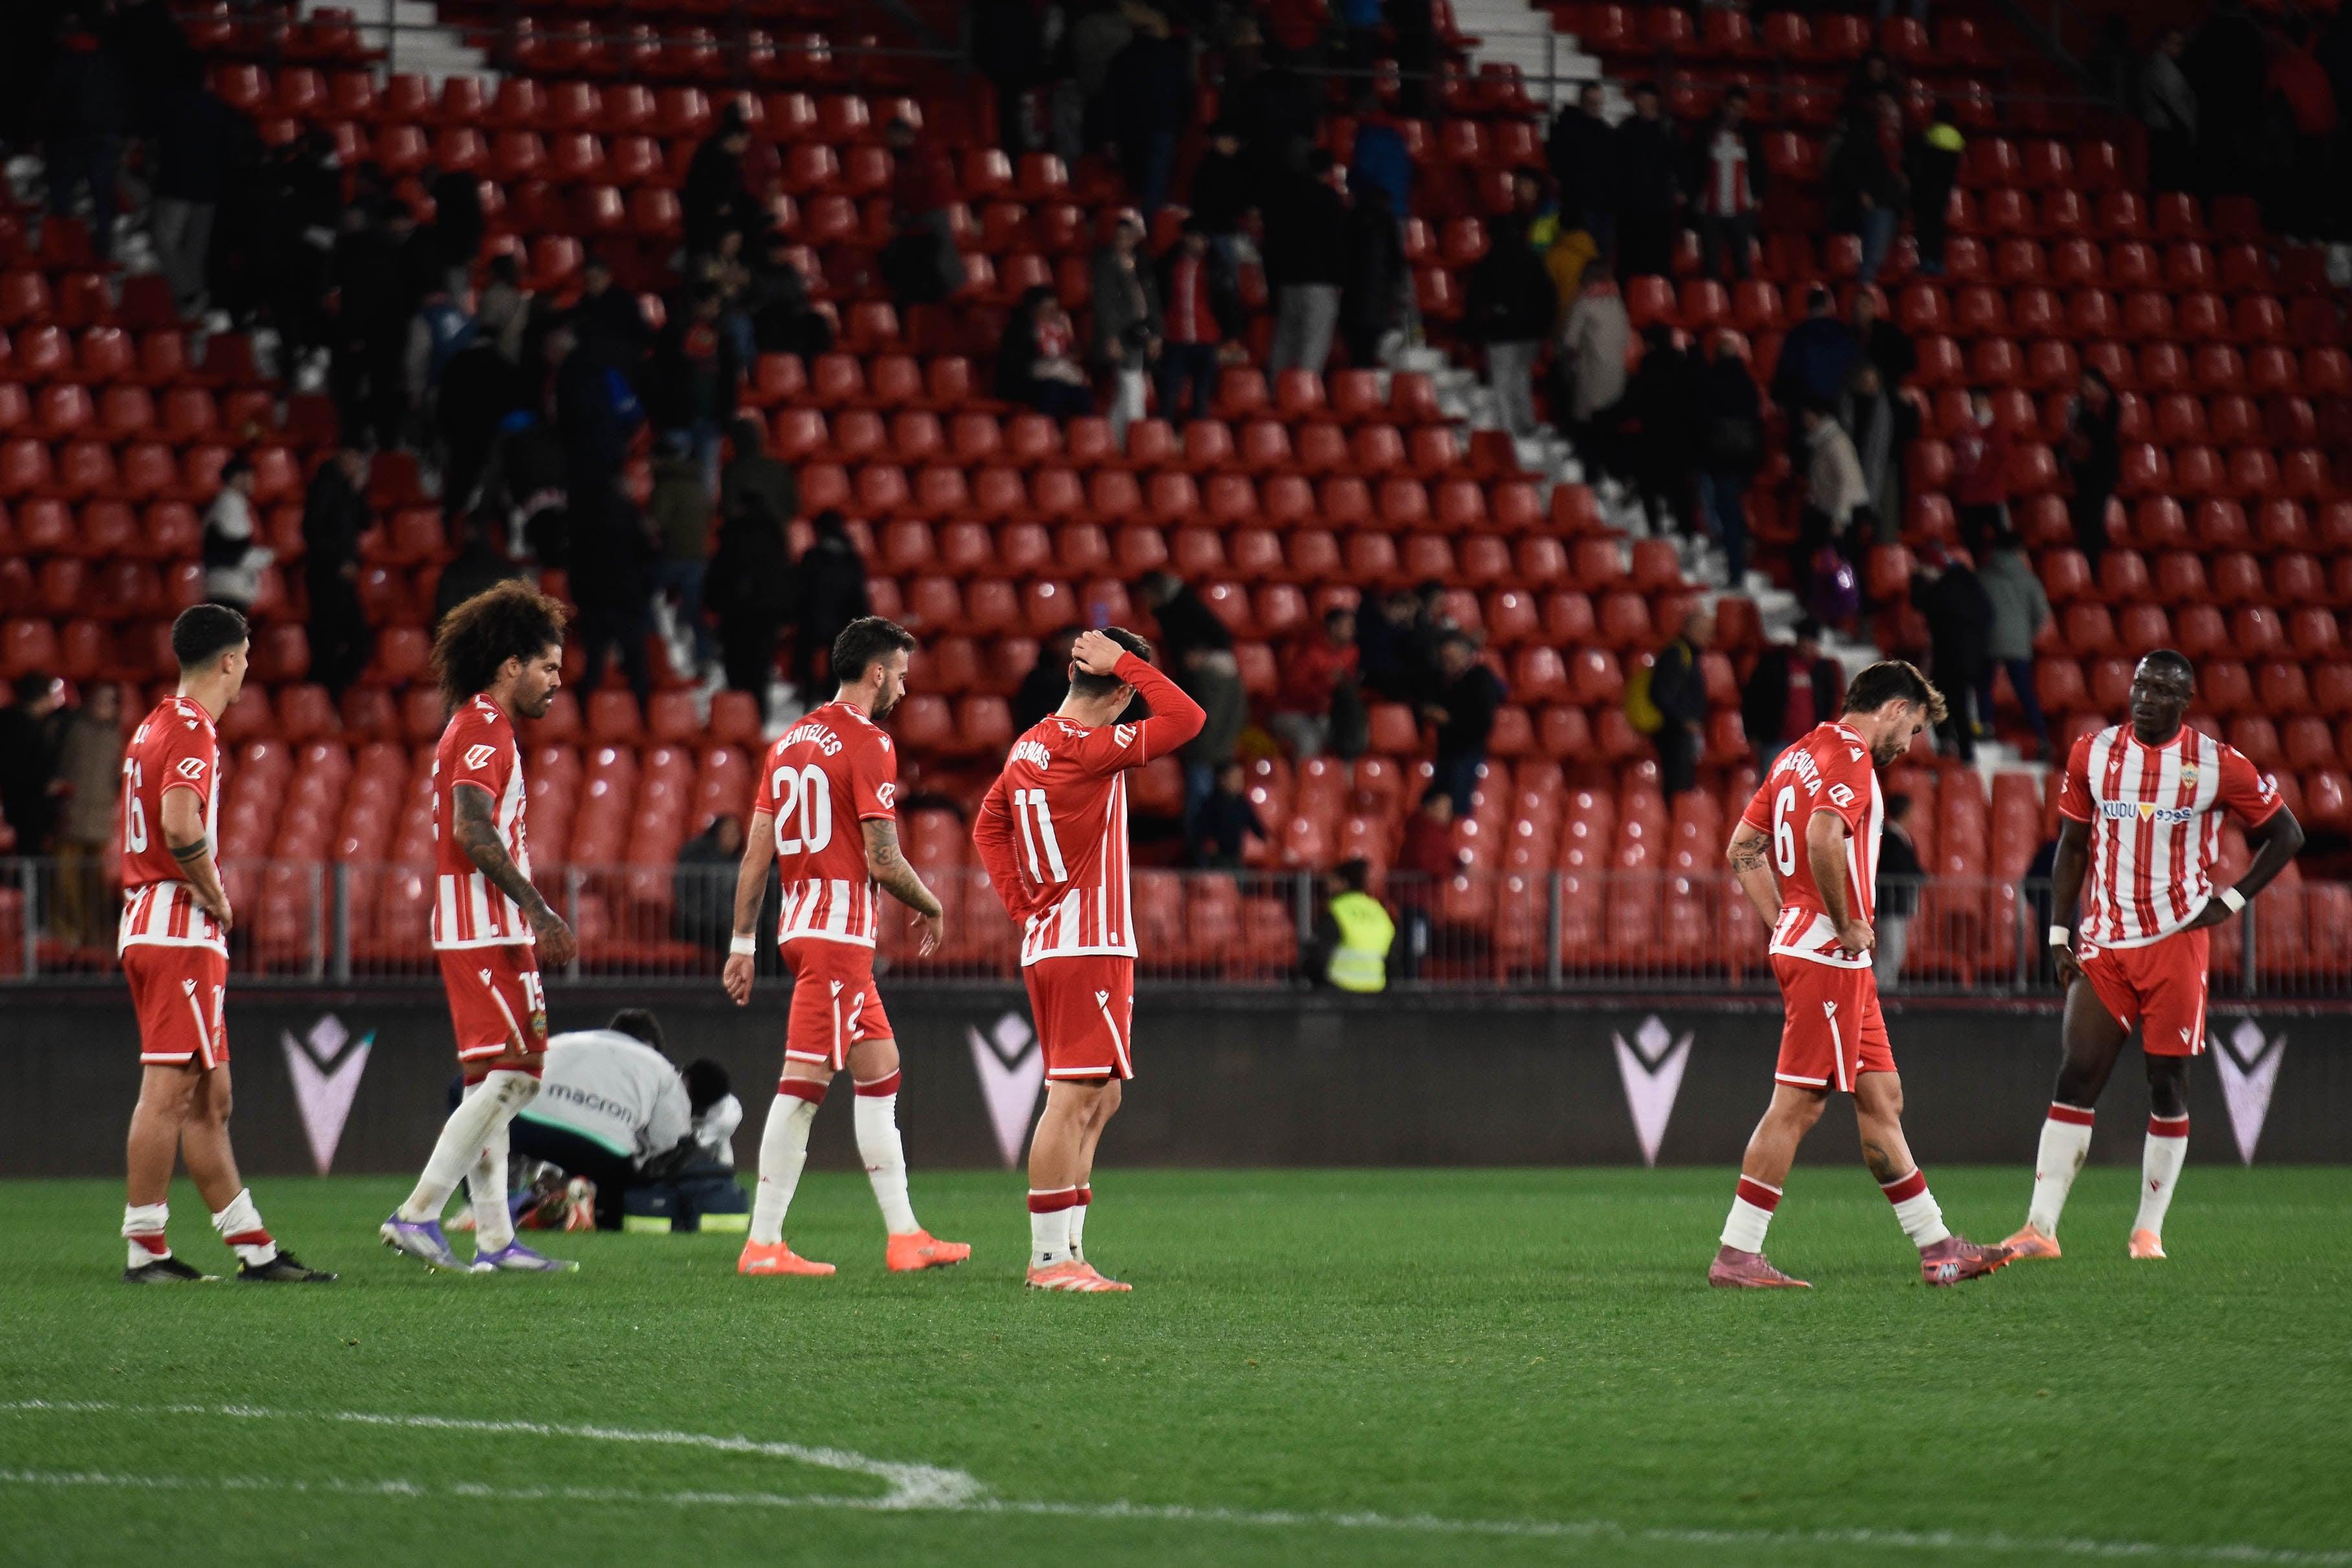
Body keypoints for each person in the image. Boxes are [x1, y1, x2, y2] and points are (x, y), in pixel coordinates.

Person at [1713, 660, 2011, 1288]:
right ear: (1896, 709)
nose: (1911, 744)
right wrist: (1843, 923)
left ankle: (1938, 1249)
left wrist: (1784, 921)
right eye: (1918, 727)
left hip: (1820, 951)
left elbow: (1743, 848)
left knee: (1883, 1096)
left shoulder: (1794, 756)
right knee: (1797, 1105)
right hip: (1830, 954)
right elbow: (1824, 838)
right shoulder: (1850, 756)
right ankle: (1737, 1253)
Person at [2007, 652, 2305, 1264]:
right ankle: (2039, 1229)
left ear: (2184, 700)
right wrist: (2059, 934)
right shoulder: (2092, 752)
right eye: (2139, 685)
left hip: (2176, 943)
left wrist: (2229, 902)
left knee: (2166, 1084)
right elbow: (2071, 846)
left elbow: (2287, 834)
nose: (2144, 697)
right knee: (2076, 1075)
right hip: (2105, 941)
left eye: (2161, 690)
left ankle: (2147, 1232)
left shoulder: (2215, 764)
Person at [721, 617, 970, 1277]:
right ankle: (763, 1243)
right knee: (802, 1088)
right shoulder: (869, 742)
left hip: (808, 930)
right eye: (903, 676)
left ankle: (905, 1235)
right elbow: (883, 859)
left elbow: (756, 853)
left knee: (881, 1068)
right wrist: (932, 902)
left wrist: (743, 942)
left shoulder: (789, 742)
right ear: (878, 673)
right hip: (836, 937)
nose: (906, 690)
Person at [971, 627, 1207, 1291]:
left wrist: (1024, 907)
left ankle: (1070, 1250)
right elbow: (1189, 718)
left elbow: (987, 824)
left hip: (1058, 941)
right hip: (1086, 944)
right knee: (1073, 1095)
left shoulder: (1029, 745)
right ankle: (1050, 1261)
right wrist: (1128, 661)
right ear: (1125, 688)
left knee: (1101, 1096)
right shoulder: (1091, 749)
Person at [118, 606, 331, 1284]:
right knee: (168, 1093)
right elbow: (181, 826)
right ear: (231, 661)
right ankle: (145, 1246)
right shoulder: (191, 729)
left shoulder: (155, 721)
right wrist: (215, 892)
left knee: (212, 1098)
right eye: (247, 659)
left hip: (160, 922)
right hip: (178, 924)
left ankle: (253, 1248)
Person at [380, 581, 581, 1275]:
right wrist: (535, 905)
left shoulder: (480, 726)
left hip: (481, 926)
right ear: (510, 666)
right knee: (520, 1071)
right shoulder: (481, 728)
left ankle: (495, 1239)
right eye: (549, 667)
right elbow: (472, 826)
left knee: (490, 1084)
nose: (558, 681)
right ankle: (417, 1211)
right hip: (483, 928)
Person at [508, 1011, 743, 1233]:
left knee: (505, 1141)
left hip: (526, 1122)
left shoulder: (565, 1041)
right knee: (627, 1183)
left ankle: (501, 1205)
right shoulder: (660, 1068)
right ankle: (589, 1206)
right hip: (602, 1146)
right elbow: (667, 1145)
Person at [708, 472, 796, 722]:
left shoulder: (732, 532)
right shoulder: (775, 535)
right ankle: (759, 716)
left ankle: (740, 718)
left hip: (736, 613)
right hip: (766, 614)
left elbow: (720, 572)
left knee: (736, 668)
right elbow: (782, 576)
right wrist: (785, 612)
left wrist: (714, 604)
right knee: (759, 668)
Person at [45, 12, 131, 263]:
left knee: (62, 199)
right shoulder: (109, 60)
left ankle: (64, 253)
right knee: (102, 199)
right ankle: (102, 252)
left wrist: (42, 134)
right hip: (104, 137)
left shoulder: (63, 59)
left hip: (68, 139)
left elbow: (52, 102)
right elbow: (122, 99)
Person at [152, 68, 238, 319]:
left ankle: (190, 294)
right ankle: (193, 306)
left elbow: (157, 143)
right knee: (195, 250)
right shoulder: (218, 108)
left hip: (176, 185)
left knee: (165, 241)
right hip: (208, 188)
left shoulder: (172, 105)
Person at [1464, 213, 1556, 438]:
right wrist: (1544, 327)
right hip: (1530, 333)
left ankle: (1509, 433)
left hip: (1502, 333)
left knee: (1503, 384)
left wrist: (1473, 330)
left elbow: (1475, 300)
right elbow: (1549, 295)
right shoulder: (1532, 259)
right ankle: (1527, 424)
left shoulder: (1490, 262)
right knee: (1522, 379)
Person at [51, 679, 122, 948]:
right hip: (72, 816)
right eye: (99, 701)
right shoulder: (74, 730)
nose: (103, 707)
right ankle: (67, 934)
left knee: (94, 885)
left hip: (99, 820)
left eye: (109, 702)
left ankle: (95, 937)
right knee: (65, 880)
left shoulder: (116, 735)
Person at [1263, 151, 1347, 374]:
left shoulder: (1285, 198)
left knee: (1284, 341)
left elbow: (1272, 241)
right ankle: (1302, 395)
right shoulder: (1329, 198)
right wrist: (1340, 278)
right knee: (1314, 343)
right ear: (1328, 171)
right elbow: (1337, 243)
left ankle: (1275, 391)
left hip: (1288, 281)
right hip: (1319, 282)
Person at [302, 446, 373, 699]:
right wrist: (339, 560)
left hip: (344, 578)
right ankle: (322, 695)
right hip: (327, 576)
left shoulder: (347, 491)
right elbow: (313, 532)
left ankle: (330, 691)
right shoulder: (323, 487)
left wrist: (358, 490)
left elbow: (366, 520)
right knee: (329, 640)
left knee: (358, 641)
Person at [1911, 543, 1990, 763]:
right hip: (1969, 656)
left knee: (1949, 702)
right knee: (1955, 702)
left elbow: (1922, 603)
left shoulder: (1945, 590)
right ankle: (1962, 749)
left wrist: (1917, 580)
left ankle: (1957, 748)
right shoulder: (1969, 584)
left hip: (1952, 657)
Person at [1090, 209, 1162, 449]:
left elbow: (1152, 302)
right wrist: (1111, 338)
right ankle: (1136, 441)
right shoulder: (1106, 264)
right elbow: (1104, 304)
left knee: (1127, 390)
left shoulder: (1142, 264)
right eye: (1120, 236)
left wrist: (1155, 334)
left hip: (1140, 332)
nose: (1124, 241)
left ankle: (1114, 442)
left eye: (1129, 236)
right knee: (1132, 388)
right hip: (1120, 334)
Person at [1978, 528, 2052, 761]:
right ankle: (2042, 738)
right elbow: (2042, 613)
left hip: (1988, 640)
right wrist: (2025, 633)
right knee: (2025, 692)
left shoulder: (1983, 576)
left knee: (1984, 687)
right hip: (2019, 644)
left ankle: (1985, 728)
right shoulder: (2029, 579)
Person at [1155, 219, 1238, 425]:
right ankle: (1165, 441)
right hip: (1176, 339)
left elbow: (1229, 304)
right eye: (1195, 238)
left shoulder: (1217, 267)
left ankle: (1197, 443)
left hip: (1207, 340)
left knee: (1202, 399)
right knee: (1169, 396)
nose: (1199, 244)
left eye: (1203, 239)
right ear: (1185, 238)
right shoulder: (1168, 265)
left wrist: (1229, 334)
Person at [1696, 333, 1762, 587]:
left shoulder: (1711, 382)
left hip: (1721, 460)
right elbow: (1756, 423)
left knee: (1729, 512)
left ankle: (1736, 569)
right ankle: (1738, 554)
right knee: (1733, 510)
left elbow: (1702, 423)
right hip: (1744, 459)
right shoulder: (1747, 384)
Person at [649, 432, 715, 673]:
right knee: (695, 613)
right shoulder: (698, 486)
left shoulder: (666, 487)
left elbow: (656, 524)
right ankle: (703, 658)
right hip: (697, 557)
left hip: (671, 557)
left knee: (644, 602)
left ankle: (654, 656)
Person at [1741, 618, 1846, 772]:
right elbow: (1753, 699)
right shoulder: (1773, 664)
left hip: (1810, 743)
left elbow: (1830, 702)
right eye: (1805, 641)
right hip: (1775, 741)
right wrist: (1752, 733)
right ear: (1797, 640)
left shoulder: (1824, 670)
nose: (1808, 646)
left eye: (1812, 643)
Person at [1828, 92, 1907, 289]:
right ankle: (1862, 303)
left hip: (1888, 204)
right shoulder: (1863, 137)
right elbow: (1844, 167)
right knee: (1873, 258)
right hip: (1878, 204)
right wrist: (1861, 192)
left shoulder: (1890, 139)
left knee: (1876, 259)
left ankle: (1864, 301)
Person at [1558, 260, 1630, 470]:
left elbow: (1570, 342)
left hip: (1591, 377)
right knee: (1610, 432)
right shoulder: (1617, 302)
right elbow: (1624, 337)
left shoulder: (1583, 304)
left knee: (1588, 431)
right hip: (1617, 380)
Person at [1688, 87, 1764, 282]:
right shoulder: (1705, 132)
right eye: (1733, 107)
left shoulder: (1750, 136)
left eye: (1741, 109)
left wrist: (1758, 195)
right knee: (1711, 267)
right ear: (1724, 106)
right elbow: (1693, 166)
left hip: (1741, 211)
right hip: (1710, 210)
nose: (1736, 113)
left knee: (1742, 266)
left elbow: (1759, 167)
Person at [792, 509, 871, 697]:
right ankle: (831, 695)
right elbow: (858, 595)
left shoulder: (812, 557)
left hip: (813, 622)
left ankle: (808, 690)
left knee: (805, 651)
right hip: (843, 623)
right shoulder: (851, 558)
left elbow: (800, 592)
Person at [1424, 633, 1505, 811]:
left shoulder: (1480, 681)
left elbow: (1482, 724)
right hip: (1446, 751)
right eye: (1444, 659)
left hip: (1467, 753)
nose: (1447, 664)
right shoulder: (1442, 680)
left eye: (1451, 659)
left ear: (1466, 656)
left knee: (1458, 803)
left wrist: (1449, 720)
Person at [1270, 607, 1360, 759]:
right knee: (1309, 740)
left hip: (1323, 714)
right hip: (1291, 713)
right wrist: (1328, 683)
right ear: (1333, 627)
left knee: (1348, 738)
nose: (1353, 630)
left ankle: (1344, 782)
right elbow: (1295, 689)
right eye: (1348, 626)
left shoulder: (1351, 652)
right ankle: (1304, 781)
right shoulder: (1310, 652)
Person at [1613, 83, 1680, 280]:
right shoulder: (1626, 128)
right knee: (1629, 260)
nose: (1640, 102)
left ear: (1654, 100)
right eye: (1638, 97)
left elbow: (1678, 163)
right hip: (1630, 208)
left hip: (1658, 208)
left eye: (1644, 97)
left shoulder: (1667, 129)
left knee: (1657, 260)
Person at [1339, 181, 1408, 372]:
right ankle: (1363, 383)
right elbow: (1397, 262)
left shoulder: (1350, 220)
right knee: (1369, 346)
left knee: (1355, 347)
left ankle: (1355, 383)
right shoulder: (1387, 224)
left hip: (1352, 296)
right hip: (1378, 297)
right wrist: (1400, 290)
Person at [996, 285, 1093, 419]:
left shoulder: (1059, 329)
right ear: (1034, 309)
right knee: (1053, 390)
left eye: (1055, 309)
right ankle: (1044, 432)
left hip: (1054, 377)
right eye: (1048, 310)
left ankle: (1079, 435)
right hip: (1023, 381)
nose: (1053, 314)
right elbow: (1016, 365)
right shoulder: (1019, 330)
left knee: (1081, 393)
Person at [1648, 609, 1713, 800]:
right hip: (1674, 734)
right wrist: (1684, 720)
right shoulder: (1676, 654)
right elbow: (1660, 693)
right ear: (1688, 629)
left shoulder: (1691, 655)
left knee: (1684, 784)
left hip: (1684, 733)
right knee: (1677, 785)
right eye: (1702, 630)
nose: (1707, 636)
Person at [1546, 84, 1617, 257]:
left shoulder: (1606, 133)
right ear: (1581, 102)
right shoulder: (1566, 130)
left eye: (1598, 102)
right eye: (1591, 102)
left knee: (1600, 258)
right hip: (1580, 206)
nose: (1595, 106)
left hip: (1603, 206)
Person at [1773, 287, 1863, 424]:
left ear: (1808, 307)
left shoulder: (1797, 335)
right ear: (1828, 306)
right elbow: (1856, 367)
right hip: (1838, 405)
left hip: (1805, 409)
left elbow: (1786, 372)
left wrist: (1779, 399)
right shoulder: (1844, 333)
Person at [682, 103, 759, 261]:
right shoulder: (709, 159)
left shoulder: (731, 161)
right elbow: (704, 194)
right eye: (744, 141)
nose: (746, 147)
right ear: (733, 138)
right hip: (704, 222)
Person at [199, 456, 272, 616]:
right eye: (250, 476)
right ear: (238, 477)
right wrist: (268, 556)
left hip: (229, 587)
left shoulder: (233, 504)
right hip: (227, 587)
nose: (253, 482)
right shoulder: (229, 505)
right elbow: (234, 550)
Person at [2063, 367, 2122, 566]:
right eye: (2083, 386)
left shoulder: (2110, 405)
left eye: (2089, 386)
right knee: (2086, 519)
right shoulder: (2077, 406)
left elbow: (2104, 437)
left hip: (2102, 470)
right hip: (2082, 469)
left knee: (2094, 519)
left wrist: (2086, 417)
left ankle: (2098, 564)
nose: (2085, 390)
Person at [1310, 857, 1393, 992]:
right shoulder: (1378, 911)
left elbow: (1320, 955)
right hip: (1375, 988)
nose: (1327, 885)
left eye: (1332, 880)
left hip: (1339, 988)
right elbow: (1393, 955)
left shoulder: (1337, 910)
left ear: (1344, 882)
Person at [431, 516, 526, 630]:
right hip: (495, 639)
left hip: (469, 639)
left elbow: (445, 616)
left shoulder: (453, 570)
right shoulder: (509, 570)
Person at [1951, 386, 2013, 560]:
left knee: (2005, 545)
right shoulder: (1966, 431)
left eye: (1980, 401)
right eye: (1973, 401)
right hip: (1970, 500)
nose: (1976, 405)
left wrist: (1990, 488)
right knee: (1973, 547)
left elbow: (2003, 464)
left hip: (1992, 498)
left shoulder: (1999, 431)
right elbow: (1961, 464)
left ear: (1989, 403)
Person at [1840, 362, 1901, 529]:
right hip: (1849, 470)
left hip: (1879, 475)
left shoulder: (1888, 408)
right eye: (1865, 383)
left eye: (1873, 383)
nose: (1869, 388)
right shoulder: (1846, 406)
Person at [673, 814, 744, 952]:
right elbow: (693, 900)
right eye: (728, 833)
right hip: (700, 923)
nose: (734, 837)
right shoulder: (699, 860)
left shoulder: (738, 862)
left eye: (736, 833)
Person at [1874, 792, 1923, 991]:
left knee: (1897, 952)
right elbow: (1898, 866)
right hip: (1889, 903)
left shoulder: (1903, 837)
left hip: (1899, 903)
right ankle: (1876, 992)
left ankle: (1889, 989)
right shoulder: (1890, 838)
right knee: (1891, 951)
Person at [1908, 100, 1963, 275]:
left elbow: (1916, 156)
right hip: (1944, 189)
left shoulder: (1929, 134)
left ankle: (1927, 261)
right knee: (1938, 226)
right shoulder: (1957, 137)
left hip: (1926, 187)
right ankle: (1939, 263)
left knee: (1925, 226)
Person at [2142, 30, 2199, 194]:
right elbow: (2176, 103)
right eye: (2175, 43)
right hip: (2169, 133)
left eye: (2181, 43)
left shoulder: (2156, 65)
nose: (2180, 48)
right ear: (2162, 43)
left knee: (2163, 182)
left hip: (2163, 131)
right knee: (2169, 184)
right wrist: (2190, 128)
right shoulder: (2164, 69)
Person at [1191, 759, 1266, 871]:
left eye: (1241, 778)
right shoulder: (1213, 803)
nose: (1239, 782)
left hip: (1235, 853)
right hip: (1217, 856)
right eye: (1235, 778)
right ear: (1222, 780)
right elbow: (1203, 824)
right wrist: (1208, 840)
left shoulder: (1242, 803)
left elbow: (1253, 822)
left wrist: (1264, 836)